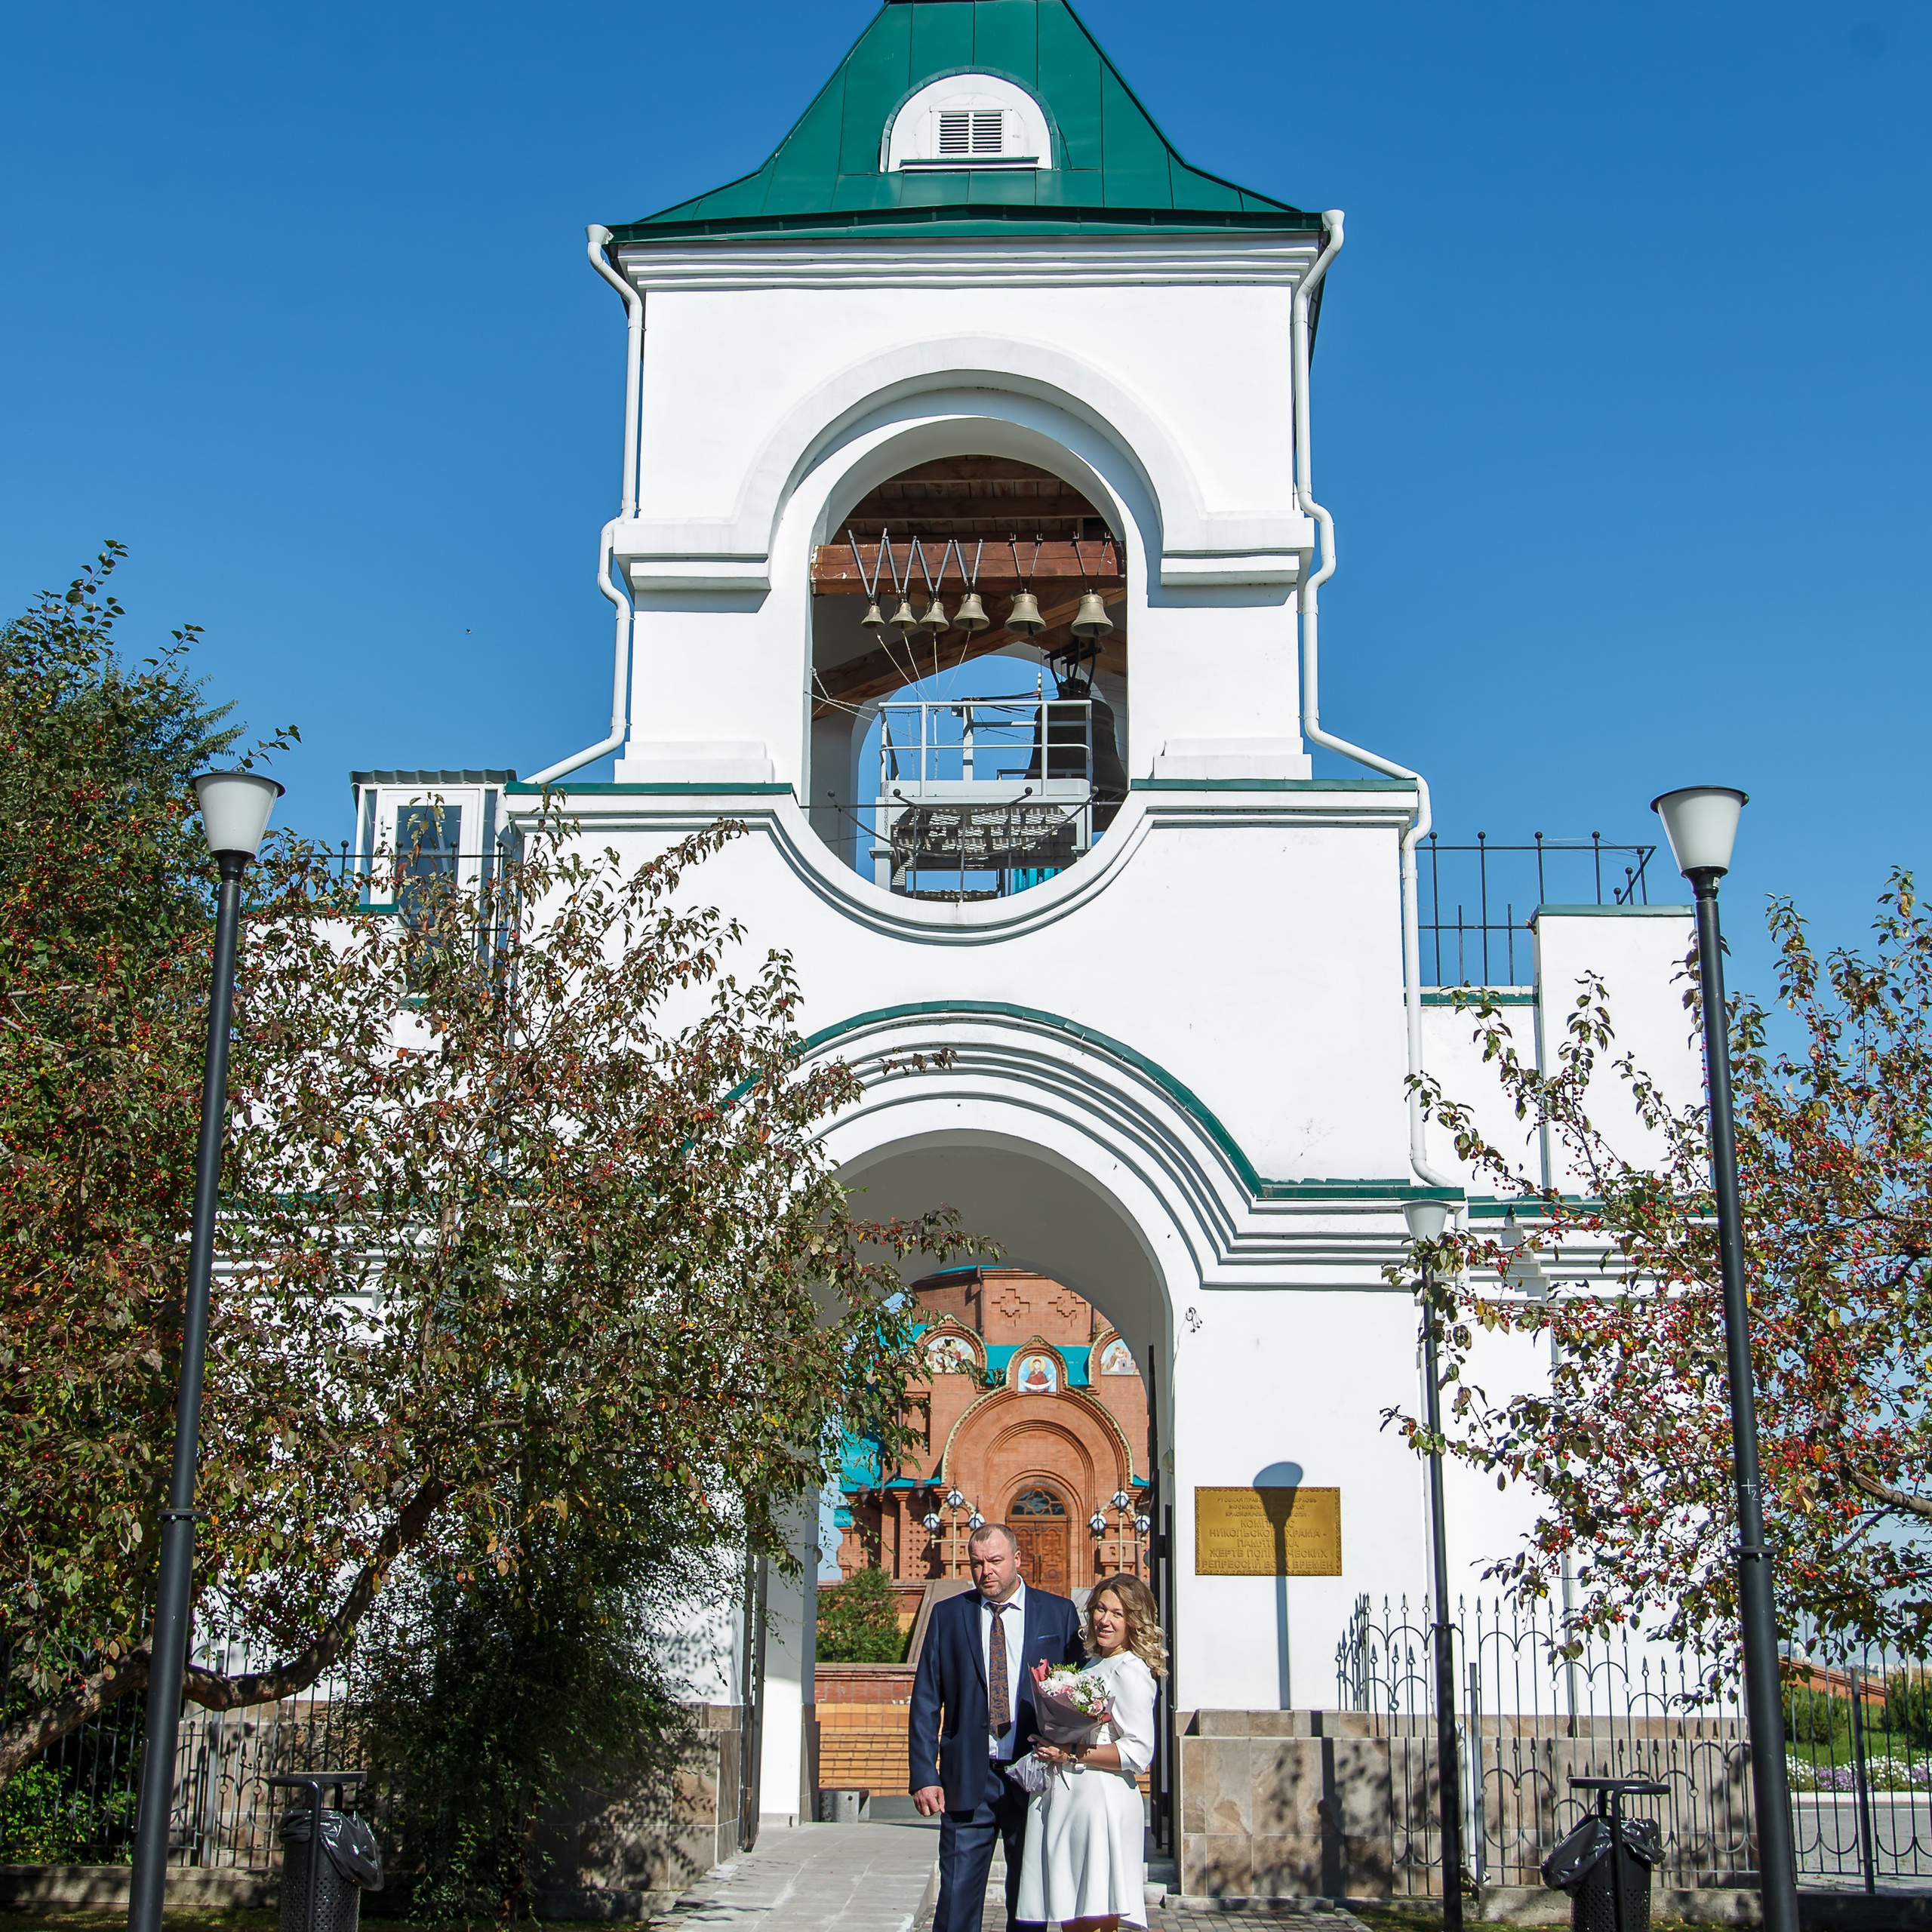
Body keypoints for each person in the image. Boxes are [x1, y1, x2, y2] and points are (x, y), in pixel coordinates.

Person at [909, 1524, 1086, 1932]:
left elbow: (1078, 1693)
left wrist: (1071, 1751)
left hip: (1034, 1779)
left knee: (1029, 1903)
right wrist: (924, 1775)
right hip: (968, 1777)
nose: (986, 1571)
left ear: (1017, 1560)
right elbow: (925, 1701)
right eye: (977, 1562)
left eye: (995, 1561)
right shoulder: (948, 1616)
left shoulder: (1058, 1614)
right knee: (955, 1904)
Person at [1016, 1573, 1167, 1932]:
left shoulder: (1130, 1669)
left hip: (1103, 1805)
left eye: (1117, 1613)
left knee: (1096, 1917)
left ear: (1134, 1620)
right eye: (1100, 1609)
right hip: (1073, 1801)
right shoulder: (1091, 1663)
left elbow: (1138, 1751)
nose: (1105, 1620)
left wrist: (1070, 1751)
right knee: (1073, 1917)